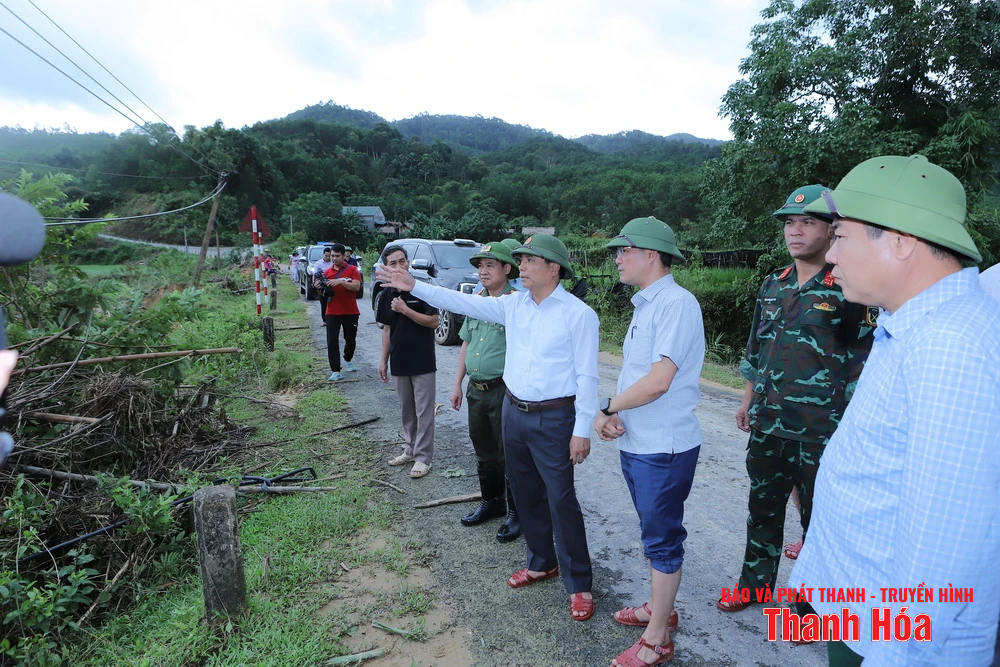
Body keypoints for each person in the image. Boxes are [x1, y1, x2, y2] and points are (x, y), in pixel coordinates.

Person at [792, 155, 1000, 665]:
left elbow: (941, 552)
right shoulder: (913, 325)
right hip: (864, 610)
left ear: (902, 241)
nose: (830, 255)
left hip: (895, 639)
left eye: (840, 236)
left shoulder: (949, 346)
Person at [377, 233, 599, 622]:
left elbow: (588, 377)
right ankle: (541, 562)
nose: (521, 266)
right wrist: (414, 286)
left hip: (554, 417)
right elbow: (460, 302)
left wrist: (582, 429)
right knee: (526, 493)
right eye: (521, 260)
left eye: (529, 260)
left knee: (561, 498)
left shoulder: (578, 314)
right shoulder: (514, 305)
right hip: (513, 410)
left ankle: (579, 583)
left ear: (554, 268)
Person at [717, 185, 875, 614]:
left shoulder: (850, 289)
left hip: (820, 430)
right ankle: (754, 587)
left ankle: (810, 608)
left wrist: (851, 427)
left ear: (832, 231)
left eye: (807, 222)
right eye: (790, 222)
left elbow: (863, 364)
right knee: (762, 510)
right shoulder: (774, 283)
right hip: (768, 422)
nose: (795, 231)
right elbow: (756, 349)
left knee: (818, 522)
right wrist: (747, 400)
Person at [594, 217, 704, 666]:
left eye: (625, 250)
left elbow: (659, 382)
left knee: (661, 539)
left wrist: (608, 407)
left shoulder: (676, 304)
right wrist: (618, 412)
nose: (618, 259)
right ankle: (661, 609)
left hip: (664, 446)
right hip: (640, 442)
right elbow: (640, 376)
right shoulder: (647, 304)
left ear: (651, 255)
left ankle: (658, 638)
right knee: (652, 533)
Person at [448, 241, 522, 541]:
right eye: (480, 266)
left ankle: (517, 513)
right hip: (476, 390)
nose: (483, 271)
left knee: (509, 453)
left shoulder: (516, 303)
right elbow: (466, 342)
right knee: (483, 450)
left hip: (503, 390)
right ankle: (492, 502)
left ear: (507, 269)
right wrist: (456, 383)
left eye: (490, 265)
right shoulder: (477, 300)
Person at [375, 245, 438, 479]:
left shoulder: (420, 289)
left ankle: (423, 457)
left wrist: (405, 310)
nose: (399, 266)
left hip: (423, 361)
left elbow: (433, 321)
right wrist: (383, 360)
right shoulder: (385, 294)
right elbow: (386, 329)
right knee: (407, 410)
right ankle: (410, 449)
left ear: (408, 263)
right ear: (386, 267)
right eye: (393, 263)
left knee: (424, 412)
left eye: (402, 261)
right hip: (399, 360)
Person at [323, 243, 362, 381]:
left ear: (344, 255)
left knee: (350, 339)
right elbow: (323, 294)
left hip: (350, 311)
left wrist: (340, 282)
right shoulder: (326, 273)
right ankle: (335, 370)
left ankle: (347, 358)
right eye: (332, 256)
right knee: (332, 341)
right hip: (332, 311)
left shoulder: (353, 270)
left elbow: (356, 287)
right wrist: (319, 287)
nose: (334, 258)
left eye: (337, 256)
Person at [312, 246, 335, 326]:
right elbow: (315, 275)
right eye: (326, 256)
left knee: (332, 303)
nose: (328, 257)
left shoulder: (333, 263)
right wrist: (315, 283)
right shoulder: (318, 263)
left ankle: (332, 320)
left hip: (332, 284)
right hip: (322, 286)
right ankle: (324, 320)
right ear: (323, 255)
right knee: (323, 303)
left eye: (329, 256)